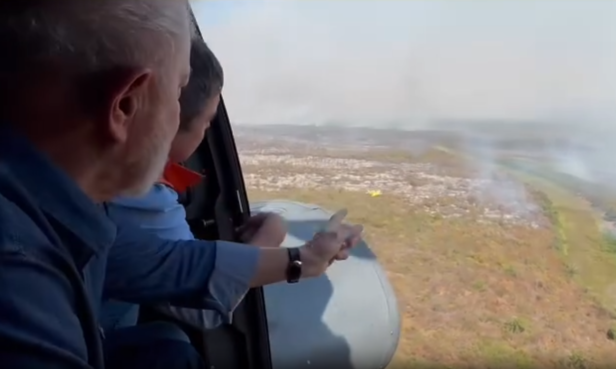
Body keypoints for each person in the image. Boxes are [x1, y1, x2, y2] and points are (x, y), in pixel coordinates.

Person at [0, 2, 363, 369]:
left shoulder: (46, 208)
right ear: (125, 104)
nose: (179, 116)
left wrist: (304, 259)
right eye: (178, 90)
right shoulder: (18, 279)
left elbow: (156, 263)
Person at [100, 37, 287, 332]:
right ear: (168, 118)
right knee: (170, 345)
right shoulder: (137, 193)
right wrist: (268, 241)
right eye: (206, 120)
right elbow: (201, 307)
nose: (208, 128)